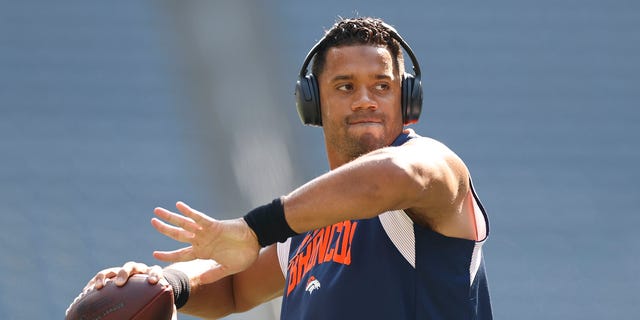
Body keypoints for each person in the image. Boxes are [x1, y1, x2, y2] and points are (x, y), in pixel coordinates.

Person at [75, 17, 492, 319]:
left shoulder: (436, 167)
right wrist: (165, 284)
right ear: (312, 104)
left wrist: (255, 228)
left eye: (382, 86)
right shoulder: (308, 220)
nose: (365, 99)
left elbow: (392, 178)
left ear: (407, 101)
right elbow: (234, 288)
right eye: (345, 86)